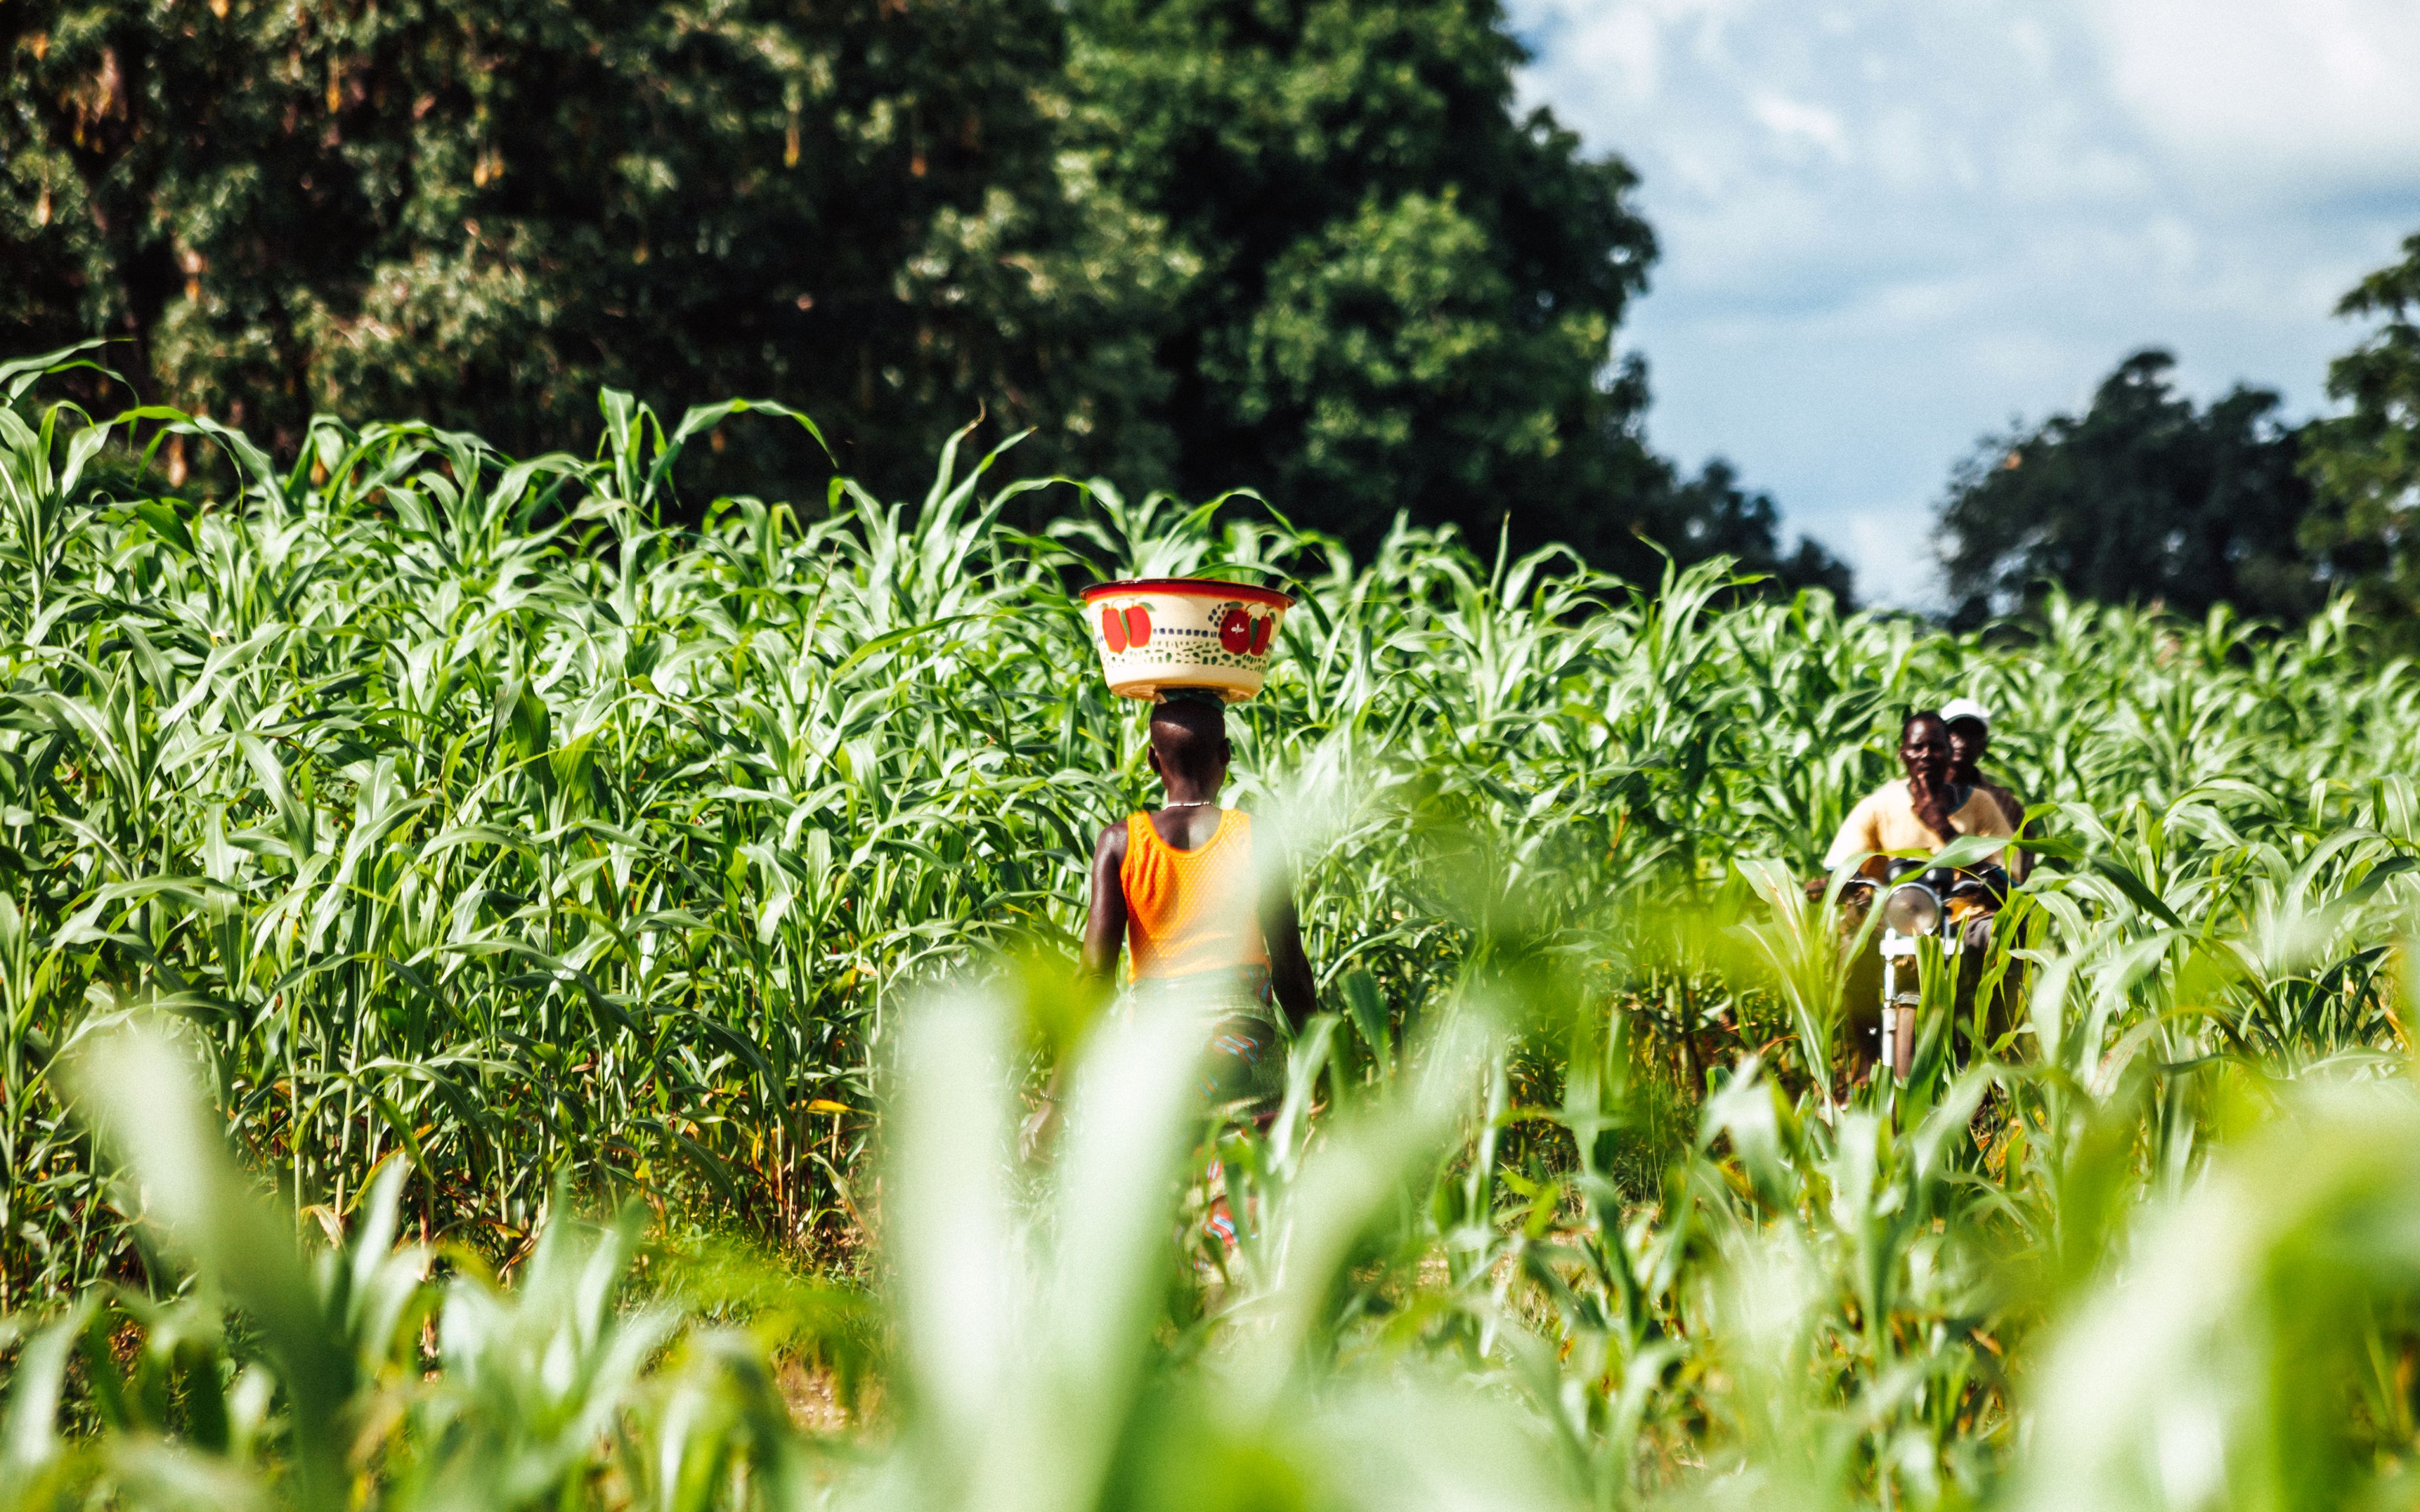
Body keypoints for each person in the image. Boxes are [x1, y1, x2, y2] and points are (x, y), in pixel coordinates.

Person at [1081, 691, 1319, 1112]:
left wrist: (1055, 1099)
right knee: (1252, 1173)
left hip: (1157, 1062)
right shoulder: (1254, 836)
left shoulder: (1120, 842)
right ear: (1226, 754)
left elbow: (1094, 979)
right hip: (1246, 1052)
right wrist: (1325, 1065)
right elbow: (1290, 970)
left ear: (1154, 761)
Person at [1819, 709, 2016, 1078]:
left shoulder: (1980, 805)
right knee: (1850, 949)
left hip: (1960, 917)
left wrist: (1942, 824)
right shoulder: (1880, 806)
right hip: (1895, 917)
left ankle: (2000, 1052)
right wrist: (1844, 887)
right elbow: (1843, 866)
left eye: (1936, 747)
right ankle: (1865, 1059)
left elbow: (2006, 871)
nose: (1927, 755)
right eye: (1918, 747)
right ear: (1903, 754)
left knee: (1996, 938)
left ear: (1950, 753)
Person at [1941, 696, 2026, 869]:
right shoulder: (1916, 793)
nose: (1962, 741)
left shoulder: (2004, 803)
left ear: (1984, 744)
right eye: (1954, 732)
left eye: (1972, 734)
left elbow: (2022, 860)